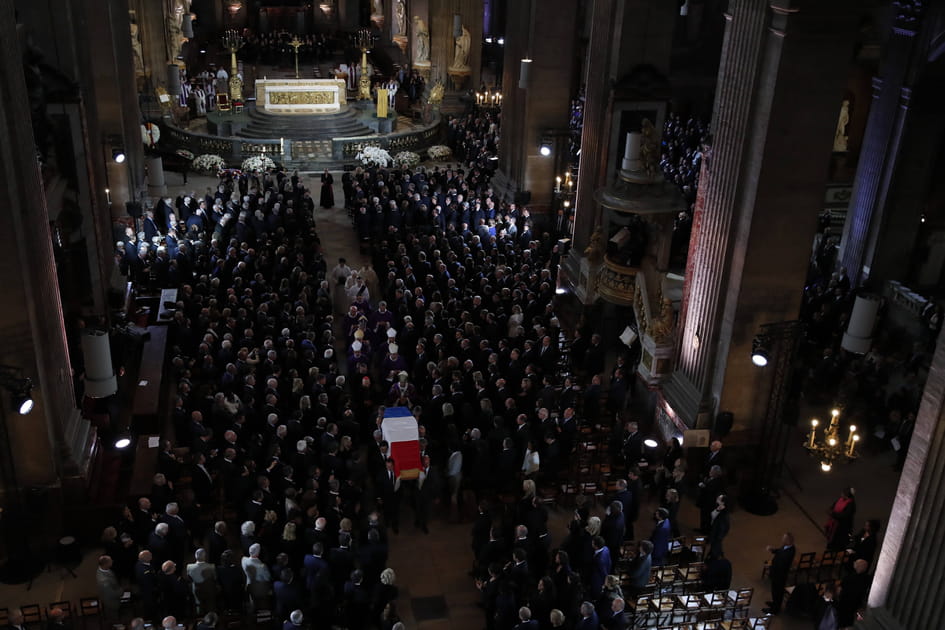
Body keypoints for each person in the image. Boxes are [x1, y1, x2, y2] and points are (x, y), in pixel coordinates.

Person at [763, 532, 796, 615]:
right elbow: (779, 551)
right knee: (774, 591)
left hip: (780, 576)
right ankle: (774, 603)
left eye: (784, 539)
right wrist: (772, 550)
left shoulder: (790, 551)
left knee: (778, 592)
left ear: (788, 541)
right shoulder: (785, 547)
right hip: (776, 574)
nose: (782, 540)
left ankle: (774, 610)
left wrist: (773, 566)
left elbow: (782, 564)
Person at [96, 555, 122, 622]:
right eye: (110, 561)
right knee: (114, 621)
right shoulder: (103, 580)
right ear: (106, 564)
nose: (112, 561)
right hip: (111, 603)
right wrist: (121, 591)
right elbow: (111, 594)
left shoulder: (104, 569)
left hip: (113, 600)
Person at [707, 494, 730, 560]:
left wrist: (718, 537)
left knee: (715, 547)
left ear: (723, 502)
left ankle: (714, 559)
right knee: (715, 547)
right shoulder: (718, 507)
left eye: (719, 498)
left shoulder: (724, 515)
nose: (717, 498)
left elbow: (723, 528)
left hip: (717, 535)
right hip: (714, 532)